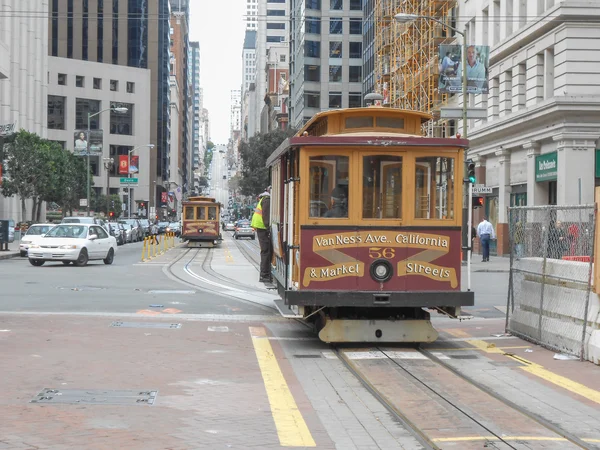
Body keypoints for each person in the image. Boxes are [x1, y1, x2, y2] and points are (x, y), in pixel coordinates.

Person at [251, 186, 272, 282]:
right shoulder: (267, 200)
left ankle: (265, 273)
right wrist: (268, 228)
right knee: (266, 251)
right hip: (262, 227)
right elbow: (266, 216)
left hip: (260, 227)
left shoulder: (264, 198)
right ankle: (264, 275)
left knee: (266, 251)